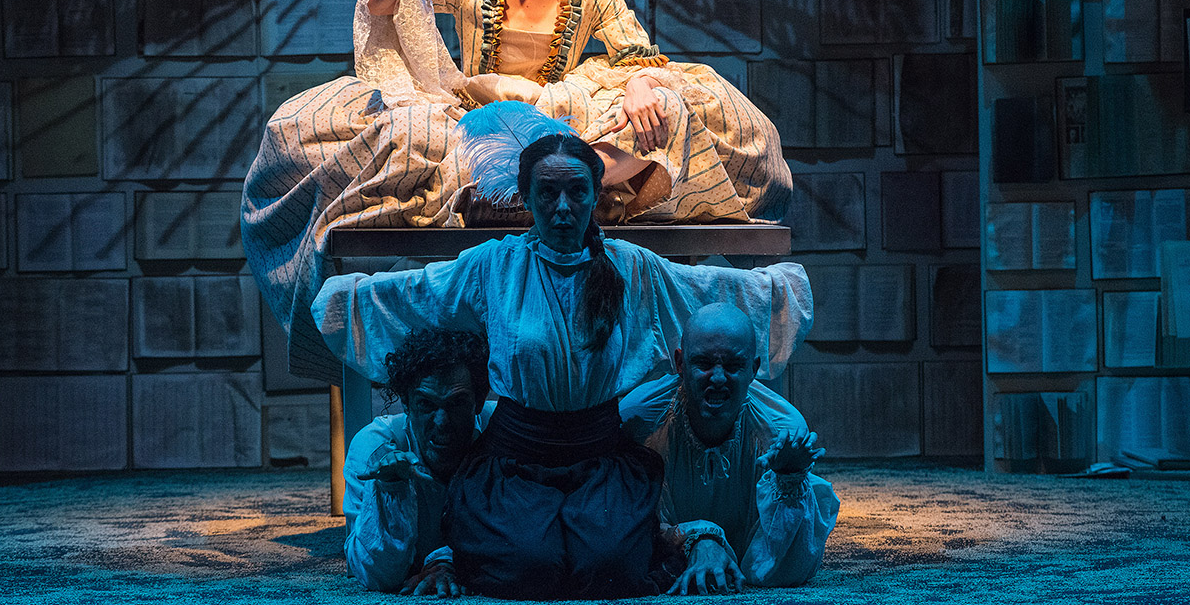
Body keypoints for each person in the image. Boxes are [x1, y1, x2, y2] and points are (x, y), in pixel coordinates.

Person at [241, 0, 793, 382]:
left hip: (561, 122)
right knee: (369, 128)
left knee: (669, 105)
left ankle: (559, 183)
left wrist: (637, 87)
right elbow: (382, 0)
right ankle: (524, 186)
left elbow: (639, 55)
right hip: (479, 124)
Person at [312, 117, 813, 599]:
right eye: (548, 193)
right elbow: (419, 295)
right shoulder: (496, 264)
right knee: (527, 568)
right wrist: (342, 299)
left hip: (599, 456)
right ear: (527, 198)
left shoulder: (630, 266)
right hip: (516, 459)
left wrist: (779, 291)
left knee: (608, 569)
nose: (563, 207)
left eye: (576, 192)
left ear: (595, 196)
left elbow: (701, 289)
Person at [621, 303, 840, 593]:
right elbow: (624, 526)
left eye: (734, 366)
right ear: (680, 363)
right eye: (703, 363)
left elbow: (786, 568)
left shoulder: (779, 430)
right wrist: (696, 537)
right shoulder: (640, 420)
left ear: (753, 369)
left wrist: (789, 478)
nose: (718, 378)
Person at [343, 328, 491, 595]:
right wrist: (391, 489)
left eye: (457, 404)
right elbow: (375, 575)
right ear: (406, 404)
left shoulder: (498, 433)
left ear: (478, 402)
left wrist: (448, 560)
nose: (442, 422)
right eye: (426, 405)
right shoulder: (376, 445)